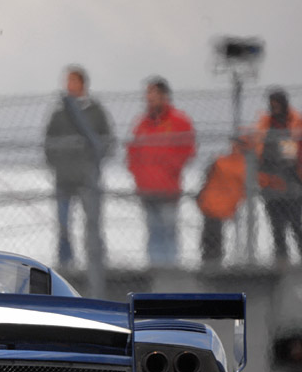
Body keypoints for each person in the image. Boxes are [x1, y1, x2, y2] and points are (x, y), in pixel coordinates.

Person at [43, 65, 114, 268]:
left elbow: (107, 141)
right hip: (63, 178)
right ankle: (66, 263)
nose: (68, 85)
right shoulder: (58, 114)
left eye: (72, 81)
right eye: (67, 81)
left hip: (88, 177)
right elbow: (48, 142)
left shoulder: (96, 112)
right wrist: (57, 163)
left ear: (83, 84)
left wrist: (93, 164)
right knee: (63, 225)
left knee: (93, 224)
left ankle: (96, 264)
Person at [126, 77, 196, 267]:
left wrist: (171, 167)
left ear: (164, 96)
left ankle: (170, 269)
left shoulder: (179, 121)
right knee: (153, 230)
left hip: (168, 189)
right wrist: (138, 175)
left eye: (153, 93)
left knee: (168, 229)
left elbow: (189, 150)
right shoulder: (141, 124)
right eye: (147, 94)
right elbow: (132, 153)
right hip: (146, 189)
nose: (148, 98)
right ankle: (154, 268)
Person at [253, 87, 302, 269]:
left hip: (292, 182)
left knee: (296, 223)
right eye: (272, 104)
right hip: (270, 182)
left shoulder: (295, 122)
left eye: (277, 104)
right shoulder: (265, 124)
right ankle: (281, 260)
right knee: (277, 226)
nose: (275, 108)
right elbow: (259, 151)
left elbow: (291, 156)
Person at [196, 137, 246, 267]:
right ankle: (214, 261)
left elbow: (206, 178)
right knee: (214, 234)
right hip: (221, 202)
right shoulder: (244, 165)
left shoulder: (221, 161)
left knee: (211, 234)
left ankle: (210, 261)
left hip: (212, 201)